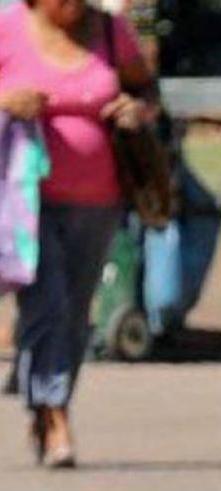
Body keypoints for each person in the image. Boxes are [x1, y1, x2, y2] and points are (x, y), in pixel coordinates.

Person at [0, 0, 157, 467]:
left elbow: (146, 89)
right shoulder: (8, 27)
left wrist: (137, 109)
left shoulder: (110, 30)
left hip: (100, 201)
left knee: (74, 312)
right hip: (26, 200)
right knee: (48, 303)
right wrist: (6, 101)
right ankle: (56, 417)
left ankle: (47, 403)